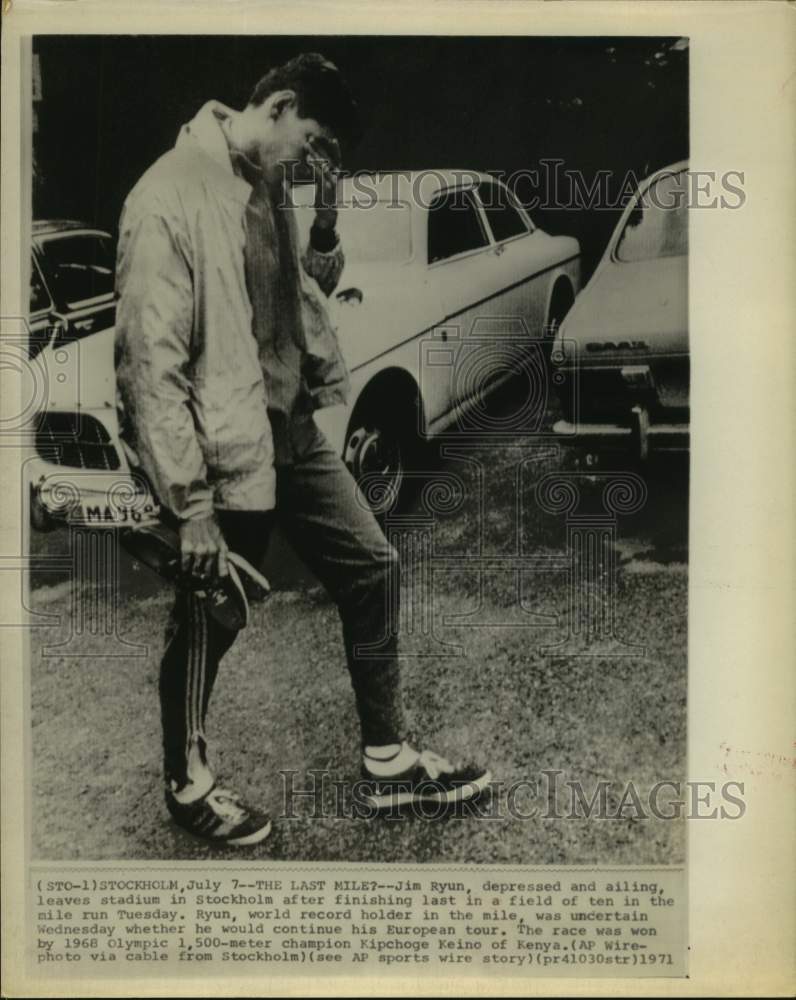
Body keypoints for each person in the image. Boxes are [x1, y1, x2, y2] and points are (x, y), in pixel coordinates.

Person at [115, 53, 490, 847]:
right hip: (228, 454)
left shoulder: (269, 185)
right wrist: (189, 508)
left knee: (372, 565)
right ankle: (188, 785)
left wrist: (323, 222)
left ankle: (387, 757)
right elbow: (152, 367)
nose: (309, 156)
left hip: (292, 435)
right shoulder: (168, 196)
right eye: (309, 137)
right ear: (278, 106)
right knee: (212, 617)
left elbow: (298, 297)